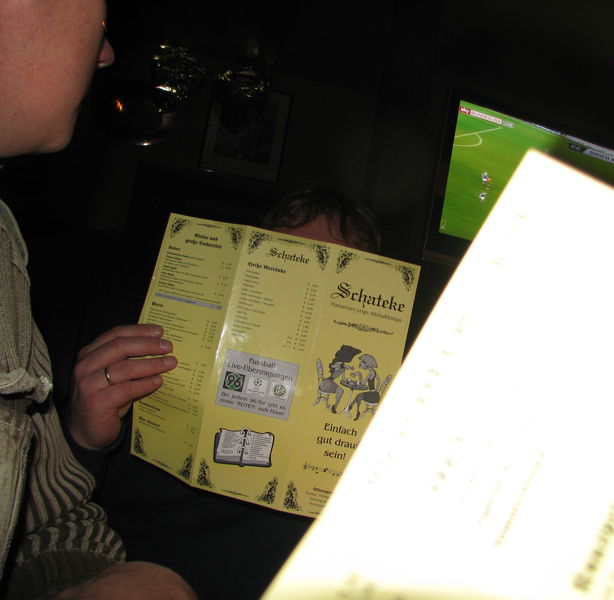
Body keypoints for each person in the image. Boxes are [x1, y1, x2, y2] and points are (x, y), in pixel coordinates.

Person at [65, 189, 382, 599]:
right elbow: (58, 519)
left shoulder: (380, 406)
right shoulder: (155, 363)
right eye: (288, 265)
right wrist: (83, 441)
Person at [0, 0, 195, 598]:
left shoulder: (5, 244)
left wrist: (95, 581)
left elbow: (44, 524)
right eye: (99, 15)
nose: (106, 52)